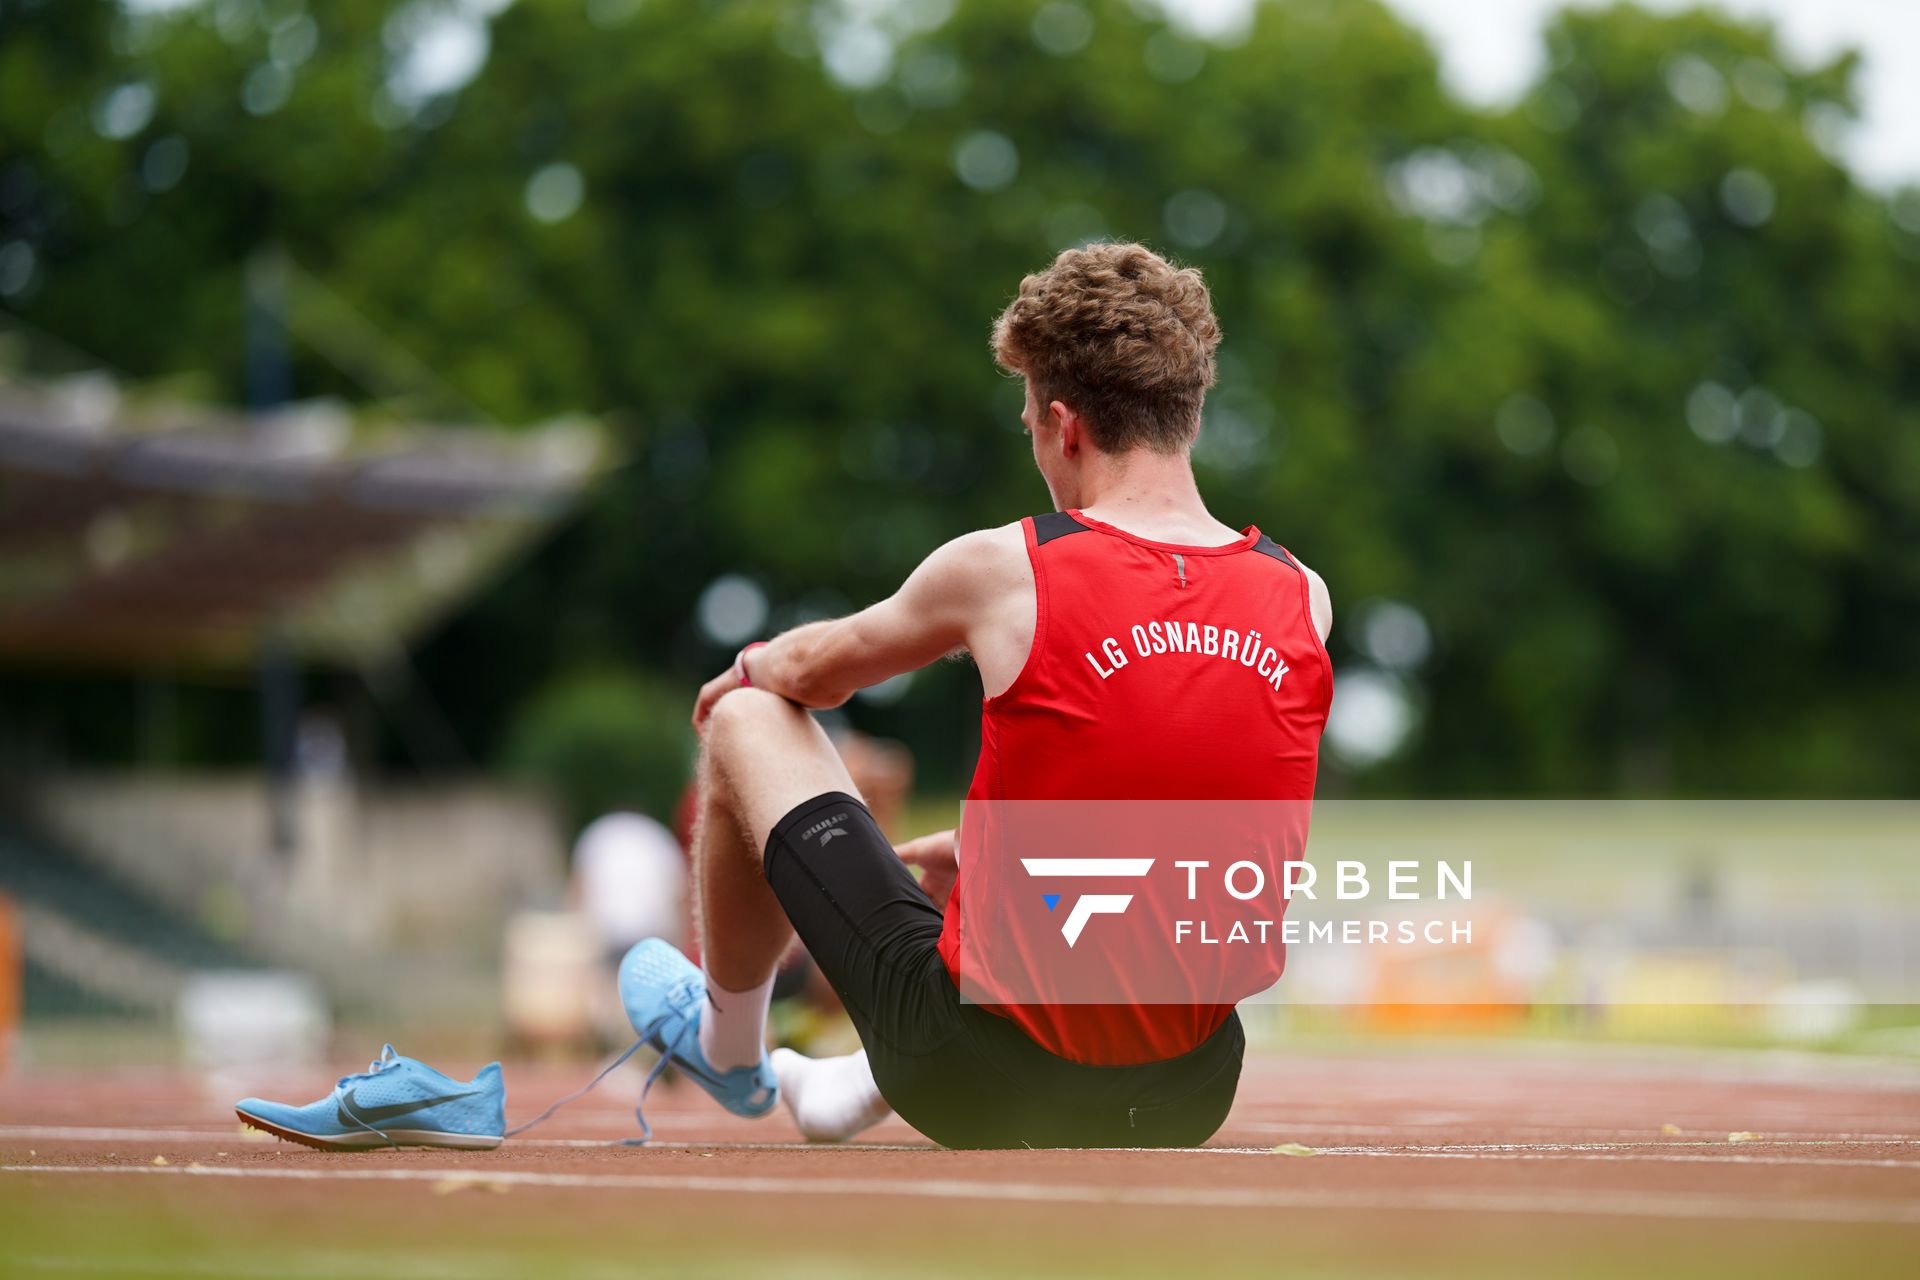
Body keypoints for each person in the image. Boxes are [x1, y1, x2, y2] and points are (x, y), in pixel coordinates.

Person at [619, 242, 1332, 1149]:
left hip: (980, 1076)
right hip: (1191, 1090)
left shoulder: (1007, 567)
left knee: (746, 717)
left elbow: (810, 672)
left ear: (1063, 425)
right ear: (1187, 417)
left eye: (1030, 421)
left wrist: (751, 664)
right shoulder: (1302, 594)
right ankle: (844, 1086)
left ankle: (726, 1048)